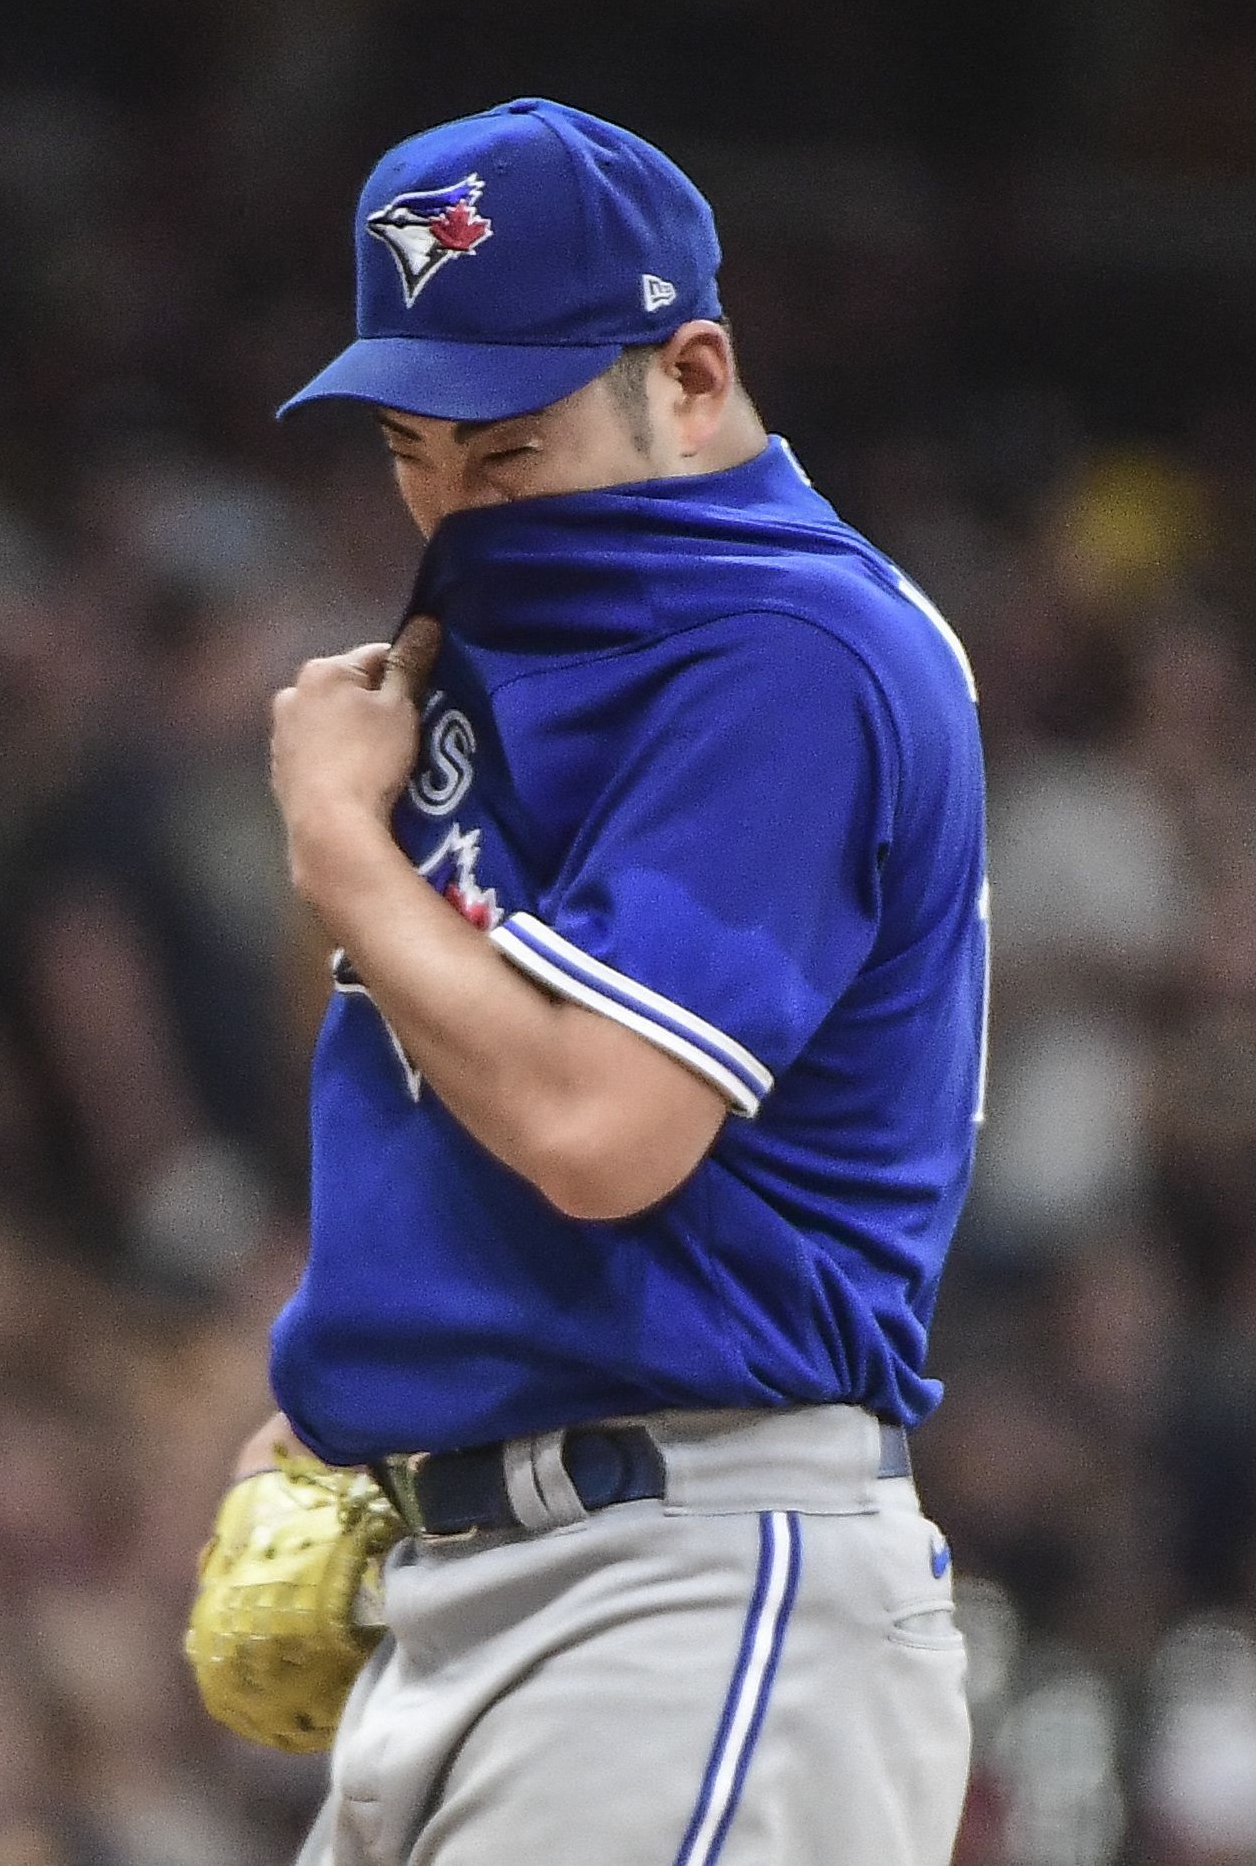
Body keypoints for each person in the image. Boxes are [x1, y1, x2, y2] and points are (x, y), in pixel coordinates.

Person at [246, 98, 984, 1865]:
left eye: (505, 446)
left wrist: (340, 847)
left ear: (694, 370)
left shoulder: (789, 651)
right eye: (411, 445)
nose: (450, 498)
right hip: (493, 1582)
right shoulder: (528, 646)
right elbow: (438, 1086)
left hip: (689, 1589)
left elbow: (596, 1127)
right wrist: (340, 1407)